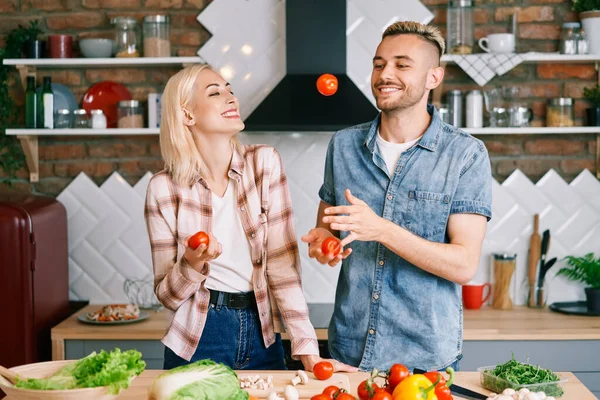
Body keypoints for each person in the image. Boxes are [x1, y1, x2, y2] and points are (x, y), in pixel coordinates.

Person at [302, 21, 493, 372]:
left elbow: (464, 265)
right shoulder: (344, 146)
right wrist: (324, 244)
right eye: (379, 64)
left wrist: (382, 230)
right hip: (349, 351)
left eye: (402, 65)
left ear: (434, 78)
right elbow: (327, 231)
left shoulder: (465, 154)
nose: (385, 74)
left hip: (425, 360)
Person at [144, 64, 355, 372]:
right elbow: (167, 296)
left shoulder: (264, 164)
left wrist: (308, 350)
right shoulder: (163, 188)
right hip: (199, 335)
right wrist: (191, 263)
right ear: (187, 115)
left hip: (262, 330)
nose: (231, 97)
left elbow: (283, 265)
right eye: (215, 92)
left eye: (230, 89)